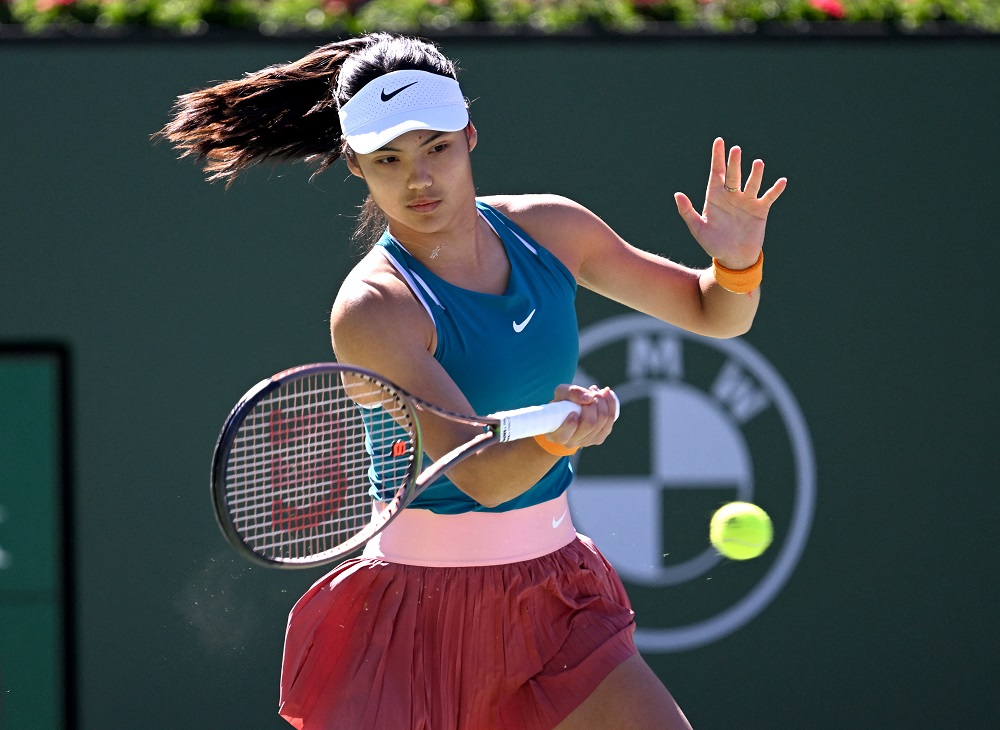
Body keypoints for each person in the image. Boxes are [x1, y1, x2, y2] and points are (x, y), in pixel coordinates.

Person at [158, 32, 785, 730]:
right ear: (357, 167)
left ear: (470, 135)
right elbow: (478, 476)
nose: (418, 179)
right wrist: (560, 440)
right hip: (418, 620)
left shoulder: (553, 228)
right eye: (388, 160)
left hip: (556, 596)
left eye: (436, 148)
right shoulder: (375, 309)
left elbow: (711, 312)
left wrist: (737, 265)